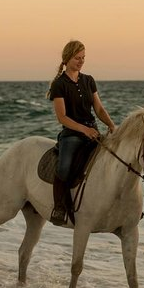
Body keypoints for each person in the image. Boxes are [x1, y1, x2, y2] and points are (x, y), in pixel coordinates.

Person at [46, 40, 116, 226]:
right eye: (77, 58)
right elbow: (62, 117)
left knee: (115, 160)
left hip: (92, 130)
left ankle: (118, 206)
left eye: (83, 58)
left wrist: (111, 125)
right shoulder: (60, 85)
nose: (81, 61)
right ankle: (59, 207)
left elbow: (99, 109)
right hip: (72, 134)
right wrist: (84, 129)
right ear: (67, 58)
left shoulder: (88, 80)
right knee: (64, 167)